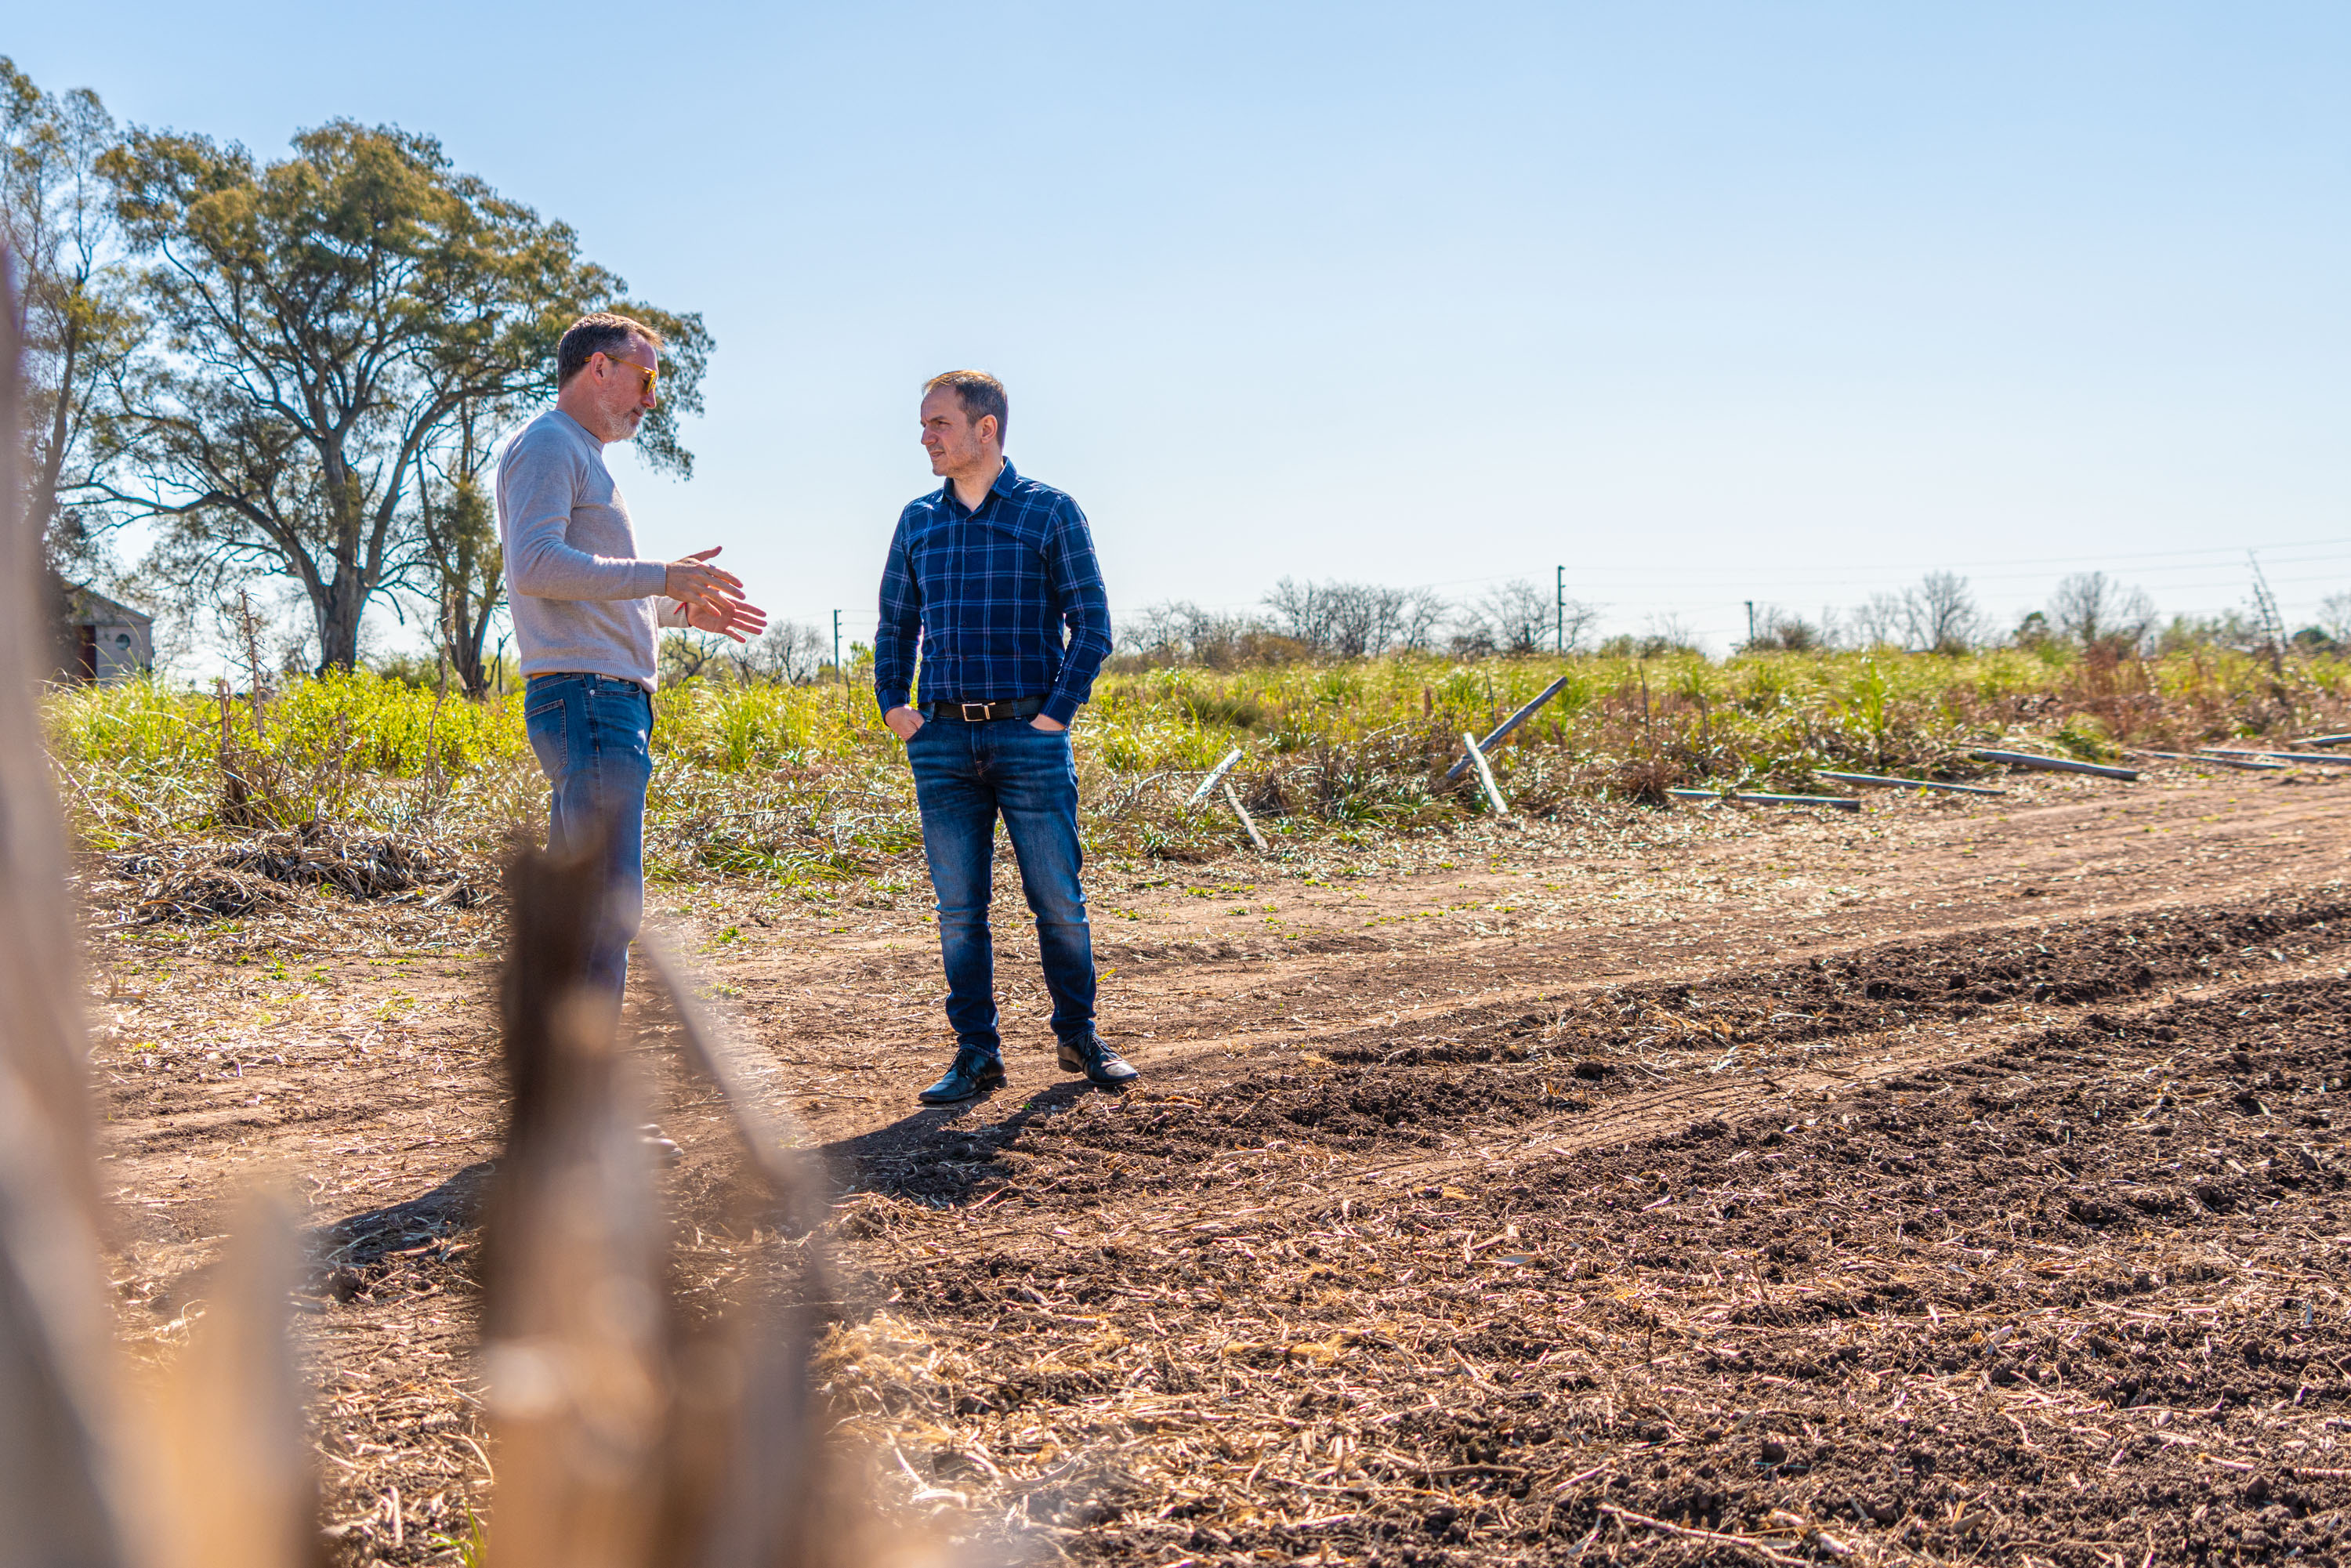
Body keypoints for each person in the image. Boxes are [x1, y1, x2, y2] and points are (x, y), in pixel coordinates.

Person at [877, 371, 1135, 1103]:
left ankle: (1080, 1035)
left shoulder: (1049, 511)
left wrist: (1055, 713)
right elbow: (895, 625)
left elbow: (1092, 625)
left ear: (985, 427)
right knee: (960, 912)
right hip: (942, 742)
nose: (925, 437)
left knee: (1057, 900)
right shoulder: (917, 521)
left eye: (938, 423)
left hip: (1029, 736)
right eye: (923, 425)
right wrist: (894, 703)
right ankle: (977, 1055)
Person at [497, 311, 766, 1005]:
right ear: (599, 368)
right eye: (646, 380)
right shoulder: (551, 444)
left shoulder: (579, 453)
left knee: (581, 905)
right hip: (591, 701)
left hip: (597, 701)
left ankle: (559, 1067)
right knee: (606, 906)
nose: (652, 399)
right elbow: (536, 565)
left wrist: (676, 607)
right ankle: (586, 1075)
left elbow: (587, 588)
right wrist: (661, 575)